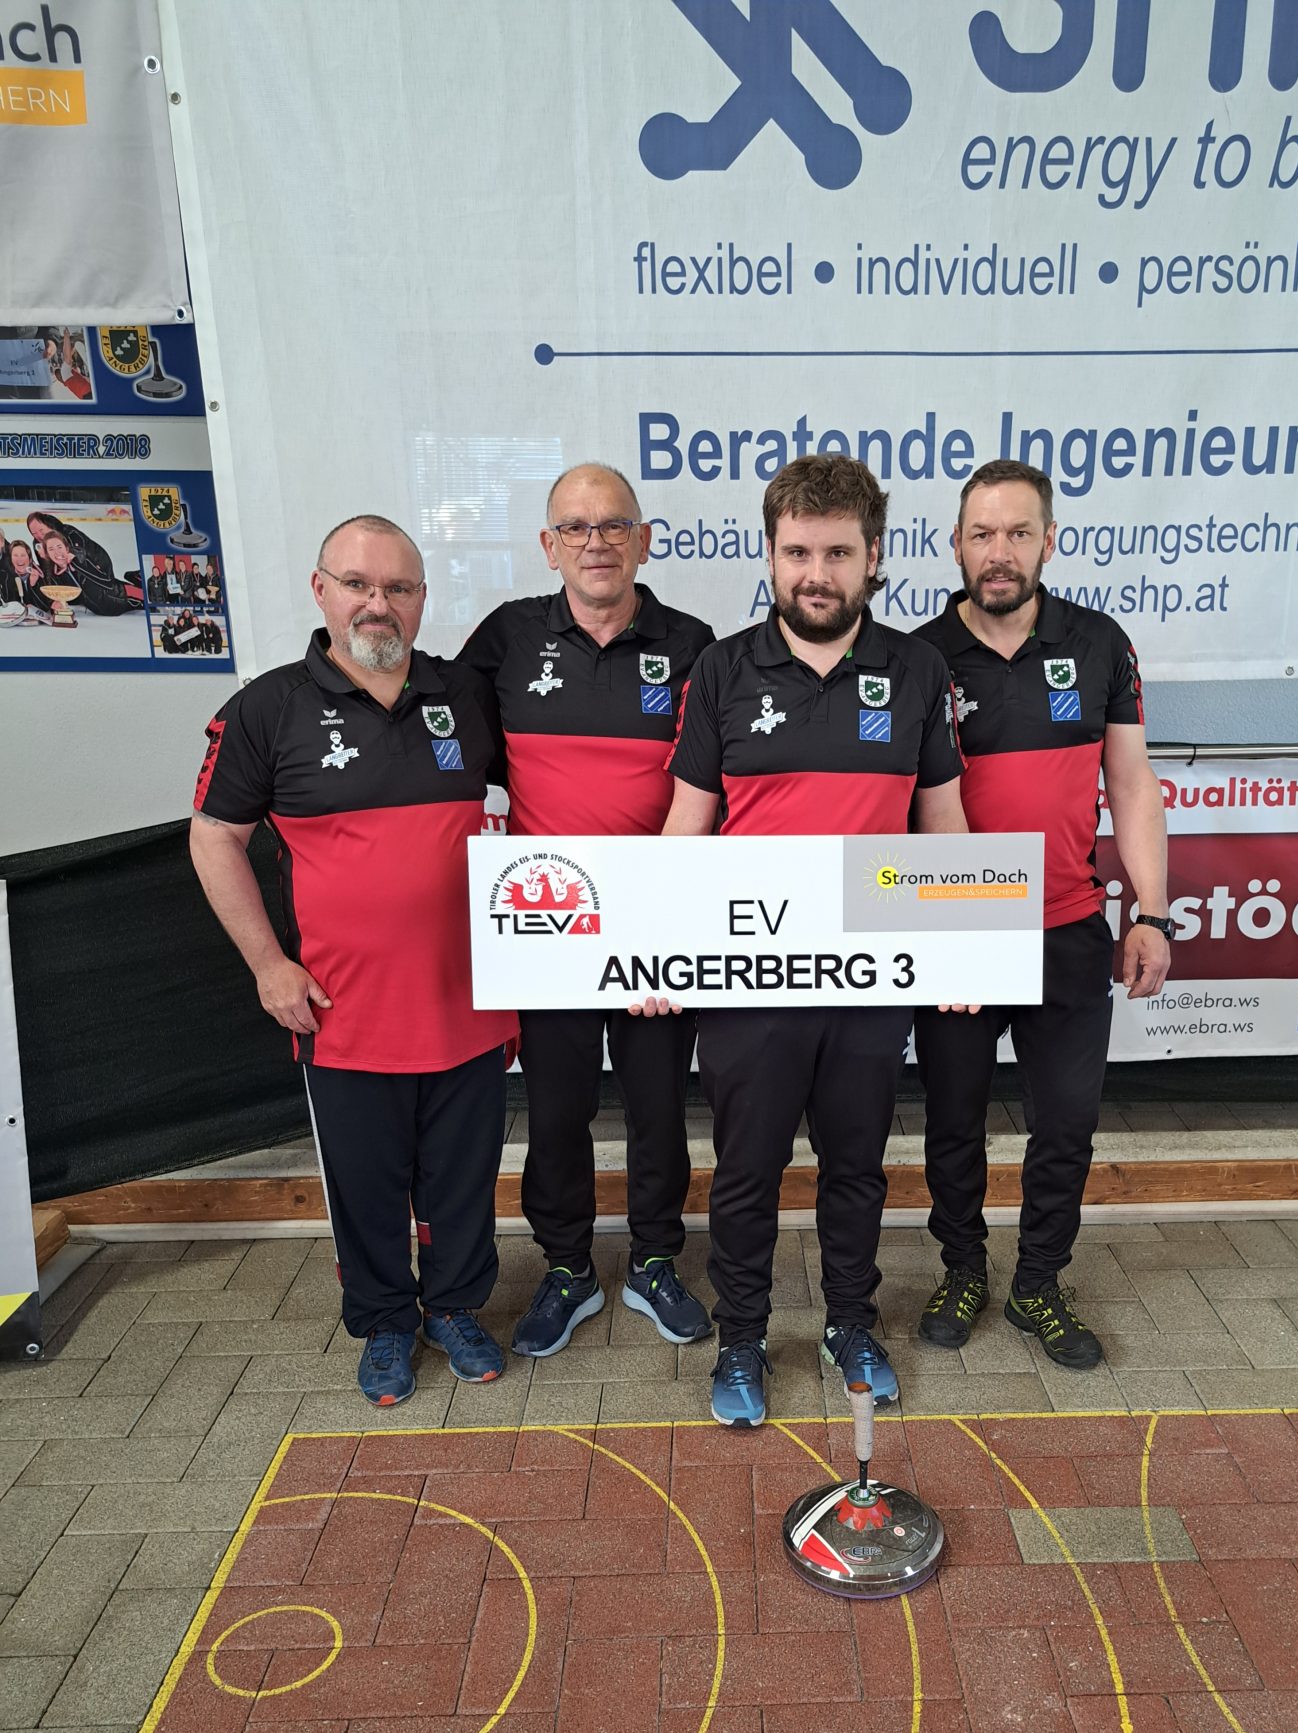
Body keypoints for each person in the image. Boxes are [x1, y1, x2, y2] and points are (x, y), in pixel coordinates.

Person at [660, 454, 968, 1427]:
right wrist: (657, 947)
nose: (816, 573)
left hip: (869, 979)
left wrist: (963, 946)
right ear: (770, 554)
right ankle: (742, 1337)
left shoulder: (918, 670)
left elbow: (944, 825)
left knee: (856, 1168)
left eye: (837, 552)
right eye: (798, 552)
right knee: (746, 1172)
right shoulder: (722, 669)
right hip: (751, 980)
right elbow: (686, 826)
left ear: (873, 556)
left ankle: (849, 1325)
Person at [189, 514, 519, 1407]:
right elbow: (215, 837)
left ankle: (455, 1309)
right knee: (367, 1186)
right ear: (321, 590)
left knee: (462, 1178)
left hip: (469, 1003)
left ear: (422, 599)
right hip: (342, 1013)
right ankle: (384, 1324)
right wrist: (269, 965)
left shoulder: (465, 696)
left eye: (399, 588)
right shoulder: (267, 709)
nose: (380, 604)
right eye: (359, 585)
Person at [911, 460, 1171, 1369]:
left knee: (1066, 1122)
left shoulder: (1099, 643)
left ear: (1049, 541)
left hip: (1067, 926)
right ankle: (963, 1268)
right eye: (982, 534)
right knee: (953, 1119)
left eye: (1019, 533)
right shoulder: (917, 656)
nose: (1000, 551)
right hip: (958, 927)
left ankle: (1038, 1284)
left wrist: (1153, 913)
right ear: (955, 544)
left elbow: (1131, 784)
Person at [457, 463, 716, 1358]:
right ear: (548, 545)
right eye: (575, 526)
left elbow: (713, 788)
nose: (595, 541)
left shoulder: (692, 644)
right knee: (557, 1112)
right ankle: (567, 1267)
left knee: (658, 1107)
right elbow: (451, 753)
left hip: (658, 921)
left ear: (643, 541)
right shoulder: (505, 639)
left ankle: (654, 1261)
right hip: (550, 922)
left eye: (613, 525)